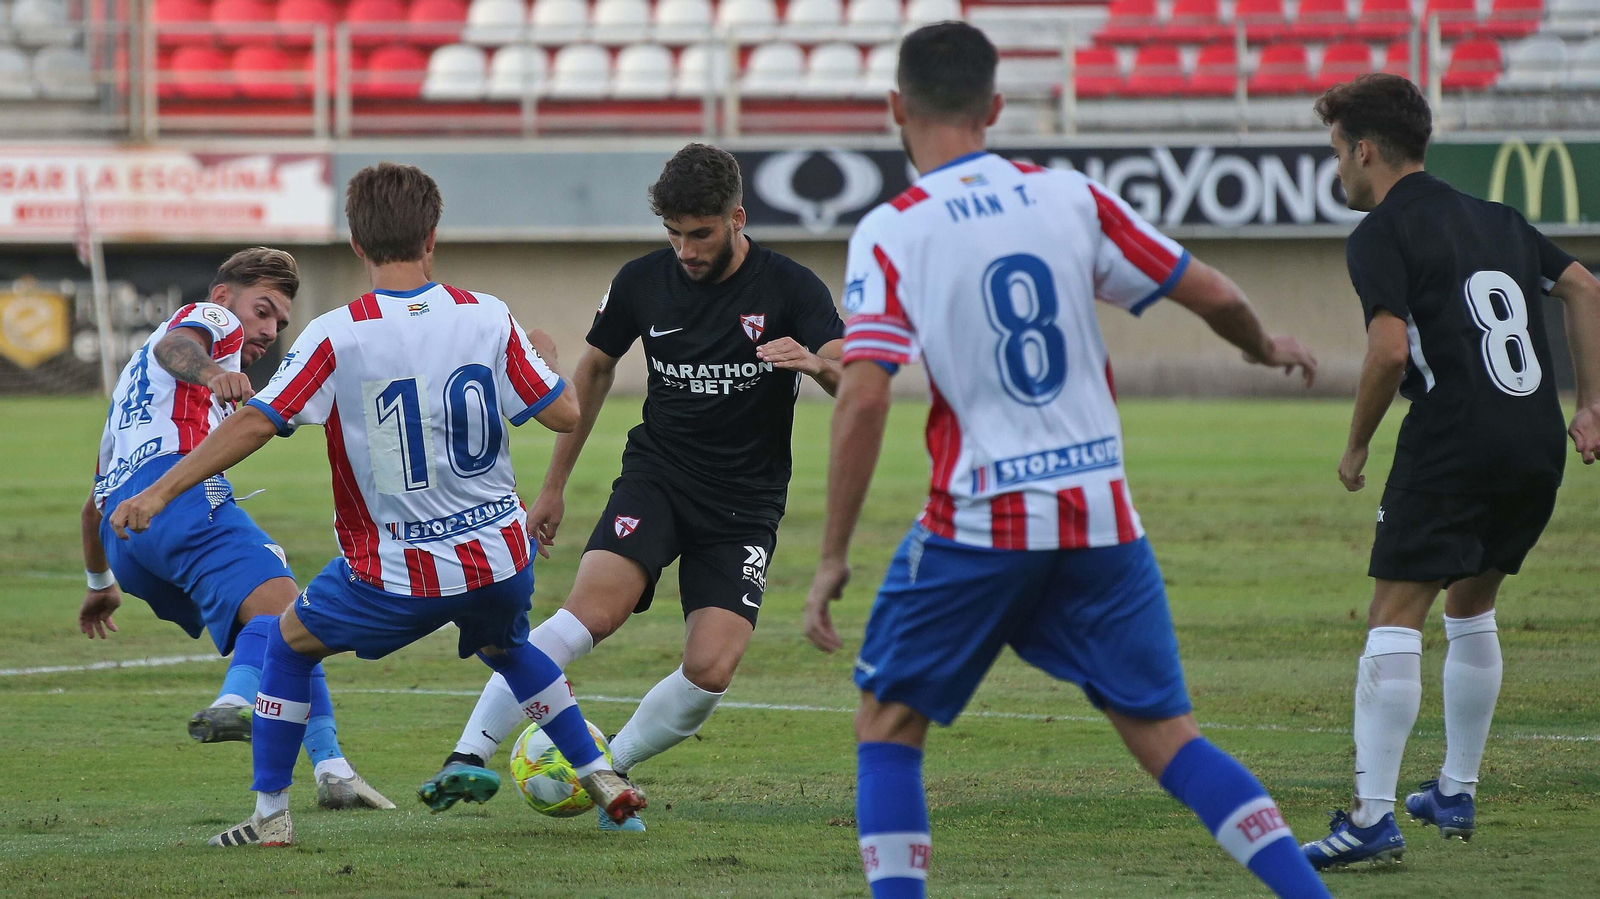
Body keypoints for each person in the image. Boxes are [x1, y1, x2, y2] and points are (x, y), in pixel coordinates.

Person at [802, 23, 1334, 899]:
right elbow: (1216, 292)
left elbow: (863, 394)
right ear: (997, 108)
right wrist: (1261, 345)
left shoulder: (894, 230)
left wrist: (830, 557)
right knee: (1169, 735)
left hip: (980, 519)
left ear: (896, 107)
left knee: (889, 725)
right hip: (1100, 515)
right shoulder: (1069, 196)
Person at [108, 162, 644, 847]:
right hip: (500, 556)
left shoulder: (339, 332)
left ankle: (270, 815)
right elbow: (565, 413)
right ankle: (600, 773)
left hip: (396, 571)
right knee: (507, 644)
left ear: (356, 245)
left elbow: (257, 420)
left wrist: (158, 489)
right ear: (433, 235)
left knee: (287, 641)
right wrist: (541, 352)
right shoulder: (488, 313)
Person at [417, 143, 845, 832]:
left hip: (744, 506)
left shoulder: (791, 287)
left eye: (700, 234)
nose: (685, 249)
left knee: (711, 667)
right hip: (658, 478)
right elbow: (592, 371)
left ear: (737, 217)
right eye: (673, 234)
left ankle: (605, 765)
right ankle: (468, 752)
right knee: (589, 613)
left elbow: (851, 371)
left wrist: (818, 367)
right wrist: (553, 487)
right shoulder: (643, 281)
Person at [1300, 74, 1600, 869]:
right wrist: (1592, 404)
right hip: (1533, 441)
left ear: (1364, 150)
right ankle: (1455, 787)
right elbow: (1584, 286)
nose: (1338, 169)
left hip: (1453, 439)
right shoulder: (1496, 218)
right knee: (1473, 606)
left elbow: (1390, 350)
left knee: (1393, 615)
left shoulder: (1380, 233)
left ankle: (1369, 818)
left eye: (1337, 151)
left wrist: (1358, 443)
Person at [81, 246, 389, 811]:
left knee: (296, 623)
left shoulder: (132, 388)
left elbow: (91, 503)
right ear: (223, 298)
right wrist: (216, 370)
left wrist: (99, 583)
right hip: (173, 500)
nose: (270, 329)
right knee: (286, 614)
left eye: (280, 321)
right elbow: (182, 345)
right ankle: (235, 701)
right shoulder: (210, 325)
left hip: (125, 537)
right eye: (263, 310)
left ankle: (332, 768)